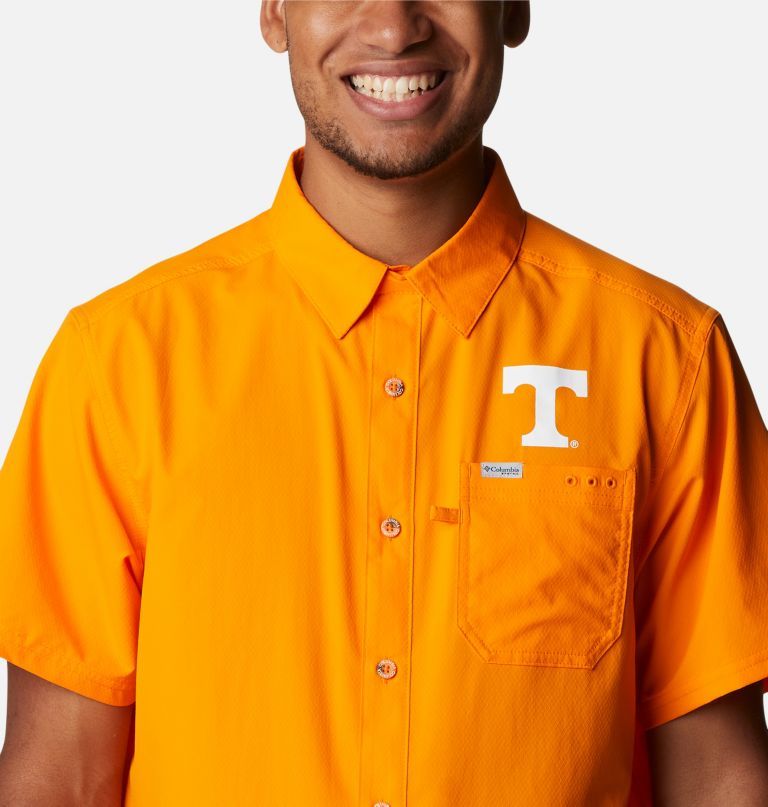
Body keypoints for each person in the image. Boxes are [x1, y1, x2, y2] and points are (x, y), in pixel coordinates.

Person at [1, 1, 767, 804]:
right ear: (275, 11)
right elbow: (60, 779)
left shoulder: (667, 358)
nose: (395, 28)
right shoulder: (117, 363)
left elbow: (718, 777)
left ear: (512, 8)